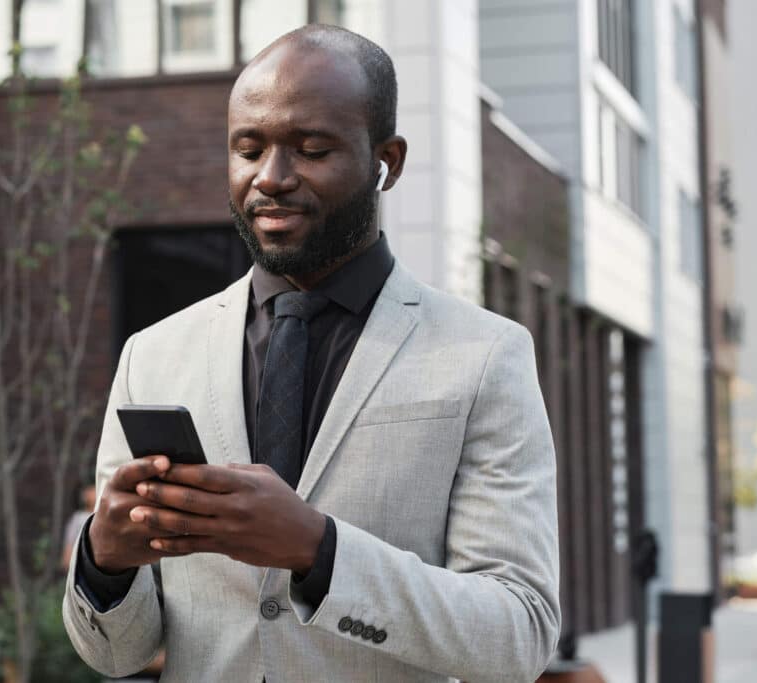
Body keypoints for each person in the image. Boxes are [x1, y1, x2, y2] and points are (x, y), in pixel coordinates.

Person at [63, 24, 560, 683]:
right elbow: (115, 652)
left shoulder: (484, 355)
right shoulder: (152, 356)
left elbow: (518, 634)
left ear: (388, 160)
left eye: (312, 148)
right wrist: (106, 561)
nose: (271, 178)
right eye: (249, 149)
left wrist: (318, 551)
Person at [61, 482, 96, 572]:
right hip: (82, 565)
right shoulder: (78, 517)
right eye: (89, 490)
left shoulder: (103, 515)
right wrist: (68, 560)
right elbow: (70, 541)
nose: (91, 493)